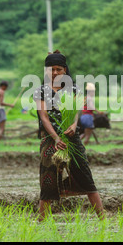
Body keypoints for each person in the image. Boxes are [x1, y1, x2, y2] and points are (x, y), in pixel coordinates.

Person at [33, 50, 104, 221]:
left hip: (72, 138)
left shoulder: (73, 89)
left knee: (85, 175)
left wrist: (73, 125)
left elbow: (75, 113)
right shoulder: (40, 91)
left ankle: (103, 219)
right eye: (51, 69)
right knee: (48, 179)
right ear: (46, 71)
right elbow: (43, 116)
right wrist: (56, 138)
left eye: (58, 69)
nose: (55, 72)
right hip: (50, 138)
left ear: (65, 70)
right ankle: (41, 221)